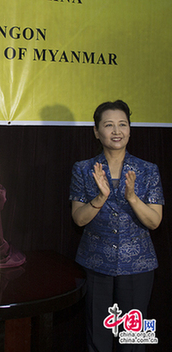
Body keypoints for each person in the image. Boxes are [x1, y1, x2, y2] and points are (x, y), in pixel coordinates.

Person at [69, 100, 164, 352]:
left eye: (122, 124)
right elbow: (78, 219)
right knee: (97, 337)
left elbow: (154, 222)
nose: (116, 131)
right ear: (96, 131)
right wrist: (100, 197)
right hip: (96, 263)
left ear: (130, 130)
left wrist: (132, 197)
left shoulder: (148, 170)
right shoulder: (83, 169)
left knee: (133, 340)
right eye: (108, 125)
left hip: (138, 266)